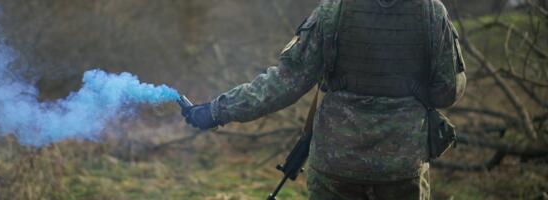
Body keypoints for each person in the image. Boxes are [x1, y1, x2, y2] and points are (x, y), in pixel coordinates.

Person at [182, 0, 467, 199]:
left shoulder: (333, 11)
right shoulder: (432, 13)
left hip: (335, 168)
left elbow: (281, 85)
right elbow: (448, 92)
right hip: (402, 169)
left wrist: (215, 111)